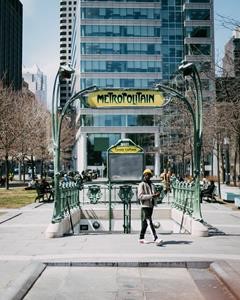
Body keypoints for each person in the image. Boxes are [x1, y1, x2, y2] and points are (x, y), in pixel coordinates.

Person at [138, 169, 163, 246]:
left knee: (145, 223)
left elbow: (153, 194)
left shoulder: (152, 184)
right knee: (149, 221)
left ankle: (141, 238)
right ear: (144, 175)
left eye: (149, 175)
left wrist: (156, 195)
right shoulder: (141, 184)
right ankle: (155, 238)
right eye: (147, 174)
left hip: (151, 205)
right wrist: (152, 196)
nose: (148, 176)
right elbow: (140, 196)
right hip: (145, 206)